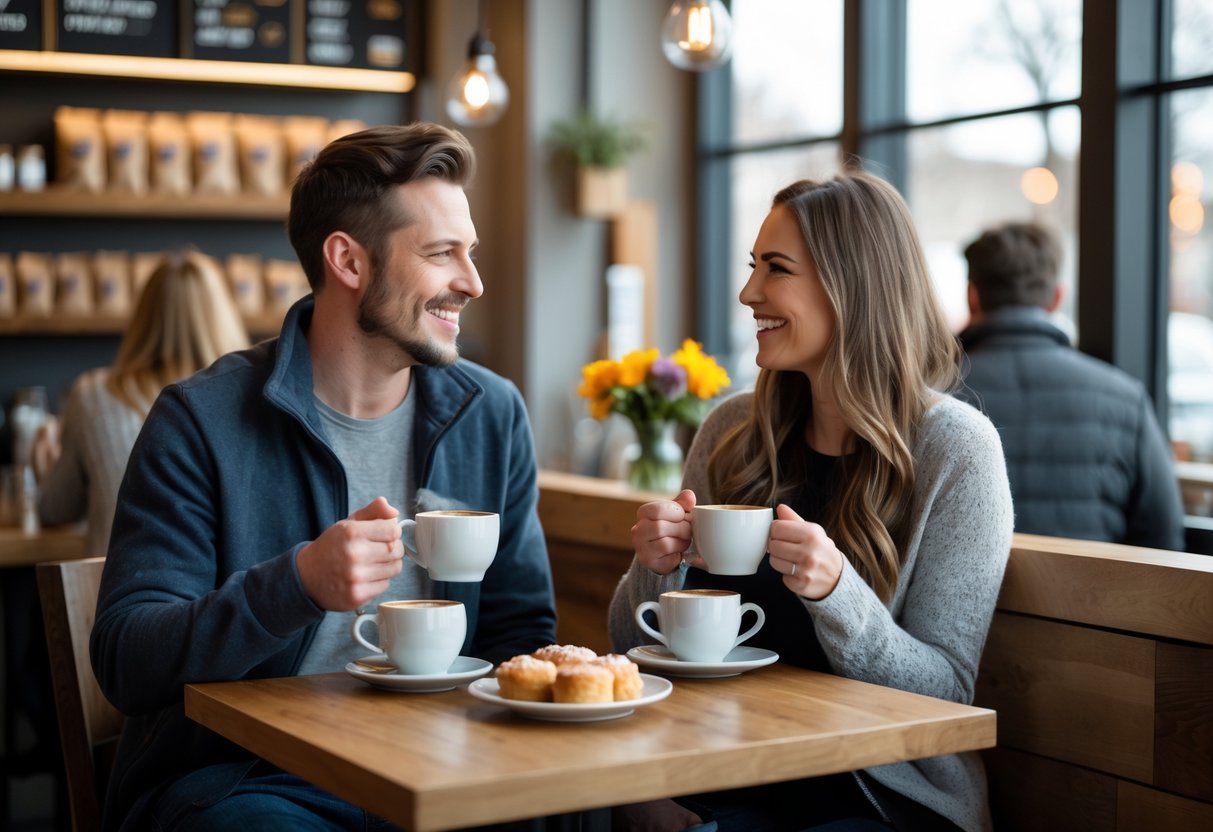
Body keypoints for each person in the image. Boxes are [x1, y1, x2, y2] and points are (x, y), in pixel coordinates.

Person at [90, 123, 559, 831]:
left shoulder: (490, 414)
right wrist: (298, 585)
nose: (473, 282)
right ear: (347, 260)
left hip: (442, 766)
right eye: (441, 254)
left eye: (470, 253)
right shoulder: (201, 420)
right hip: (250, 780)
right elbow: (129, 659)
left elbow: (520, 628)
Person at [608, 172, 1014, 832]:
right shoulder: (730, 432)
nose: (747, 293)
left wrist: (837, 594)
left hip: (880, 800)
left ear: (849, 286)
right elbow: (632, 645)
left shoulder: (955, 450)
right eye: (751, 267)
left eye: (776, 269)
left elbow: (945, 694)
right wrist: (653, 568)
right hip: (724, 771)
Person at [956, 221, 1185, 550]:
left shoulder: (929, 396)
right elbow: (1162, 536)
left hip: (968, 602)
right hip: (1090, 601)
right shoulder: (1125, 399)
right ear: (1056, 298)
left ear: (972, 296)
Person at [32, 250, 251, 556]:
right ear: (223, 316)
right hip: (234, 598)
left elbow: (55, 510)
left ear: (142, 318)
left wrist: (43, 463)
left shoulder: (93, 396)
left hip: (113, 596)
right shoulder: (252, 397)